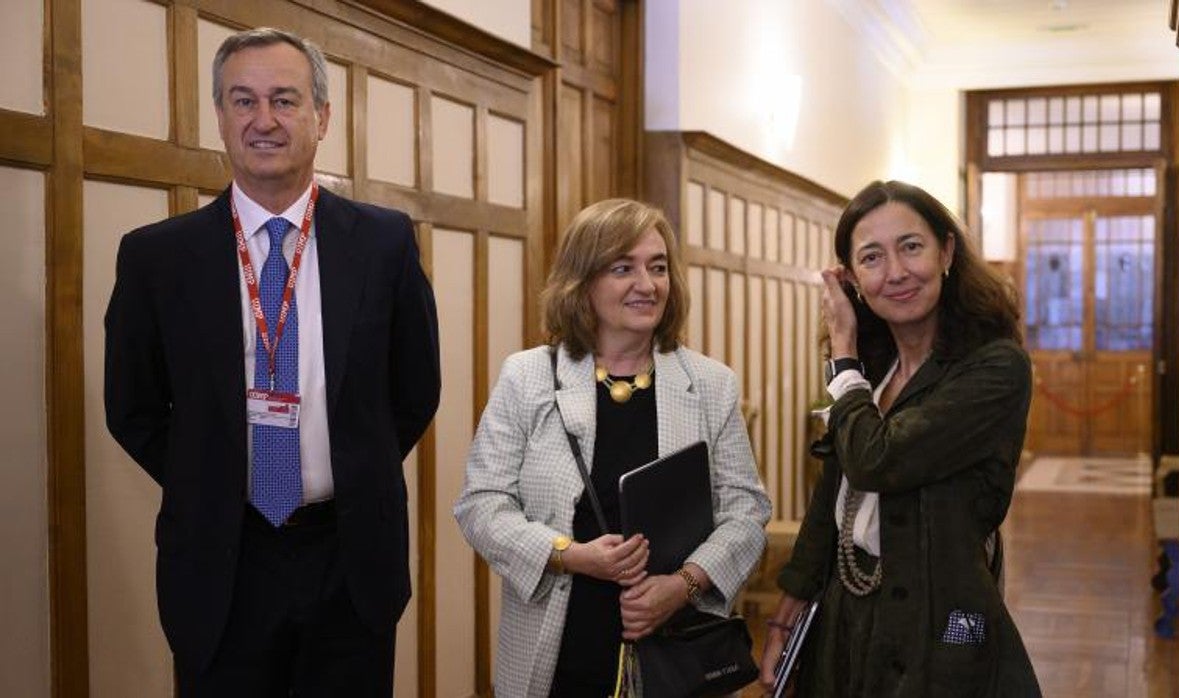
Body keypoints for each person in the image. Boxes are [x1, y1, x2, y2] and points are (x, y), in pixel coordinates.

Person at [103, 27, 440, 696]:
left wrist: (345, 462)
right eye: (243, 100)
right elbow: (133, 408)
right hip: (221, 565)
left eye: (284, 100)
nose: (264, 120)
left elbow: (414, 391)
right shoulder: (158, 258)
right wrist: (212, 481)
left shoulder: (384, 244)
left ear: (322, 117)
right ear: (220, 118)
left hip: (350, 562)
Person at [454, 198, 771, 697]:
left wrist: (682, 585)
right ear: (582, 282)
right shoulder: (529, 376)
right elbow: (481, 505)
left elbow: (746, 512)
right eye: (623, 268)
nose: (647, 285)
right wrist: (570, 555)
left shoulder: (711, 384)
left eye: (658, 267)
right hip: (557, 647)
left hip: (674, 649)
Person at [759, 180, 1040, 697]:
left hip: (946, 619)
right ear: (853, 279)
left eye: (911, 247)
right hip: (848, 606)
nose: (896, 273)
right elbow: (835, 492)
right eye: (872, 257)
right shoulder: (876, 369)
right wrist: (791, 602)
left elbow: (876, 460)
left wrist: (842, 357)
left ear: (947, 251)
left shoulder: (995, 367)